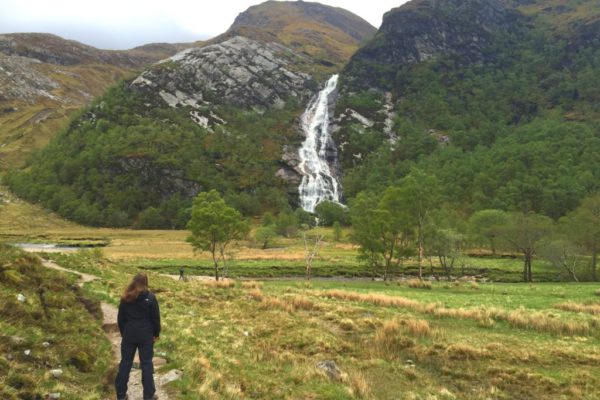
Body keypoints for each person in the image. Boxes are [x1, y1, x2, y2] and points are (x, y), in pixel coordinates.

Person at [115, 273, 161, 400]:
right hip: (146, 336)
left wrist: (125, 333)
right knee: (146, 364)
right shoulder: (151, 298)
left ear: (134, 282)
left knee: (125, 363)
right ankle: (148, 395)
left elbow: (120, 319)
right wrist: (156, 334)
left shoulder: (126, 297)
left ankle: (120, 395)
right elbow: (155, 318)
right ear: (146, 283)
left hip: (129, 334)